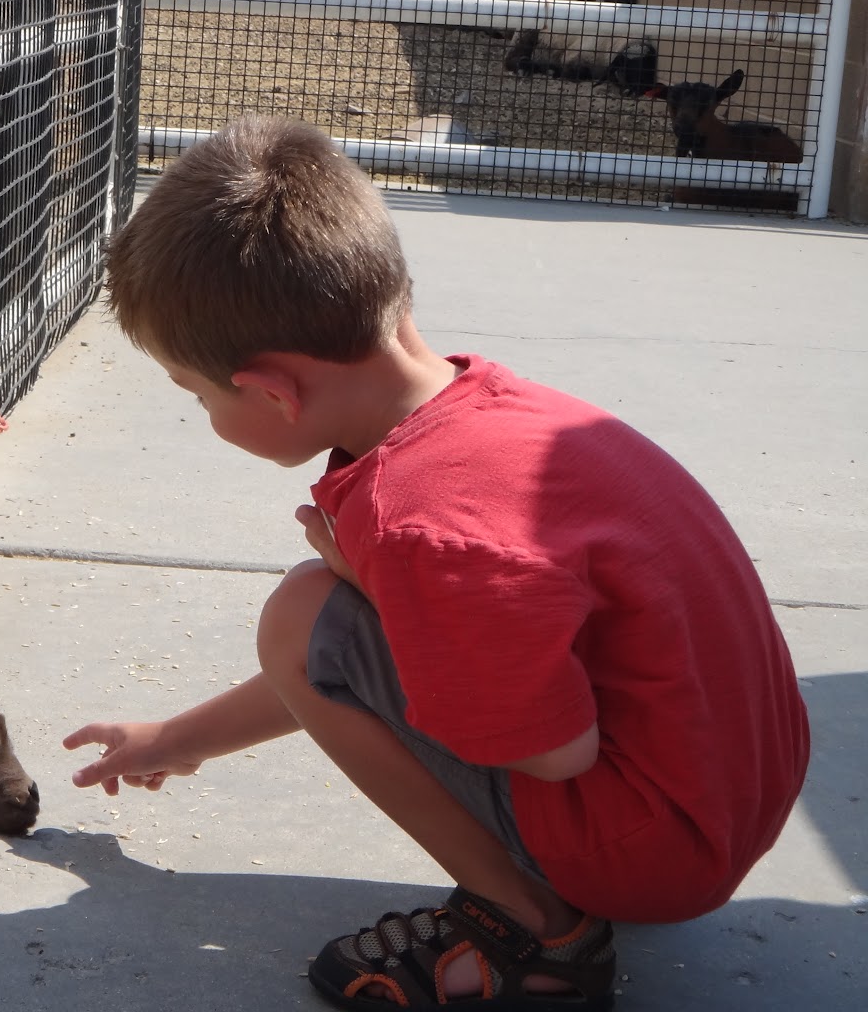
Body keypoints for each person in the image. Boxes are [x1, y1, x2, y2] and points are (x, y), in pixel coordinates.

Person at [62, 116, 809, 1012]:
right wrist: (173, 741)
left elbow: (556, 754)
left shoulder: (419, 527)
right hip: (730, 797)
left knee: (300, 614)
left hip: (657, 853)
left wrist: (373, 582)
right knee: (323, 616)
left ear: (270, 391)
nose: (204, 417)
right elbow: (366, 667)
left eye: (197, 396)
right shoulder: (492, 409)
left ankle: (536, 935)